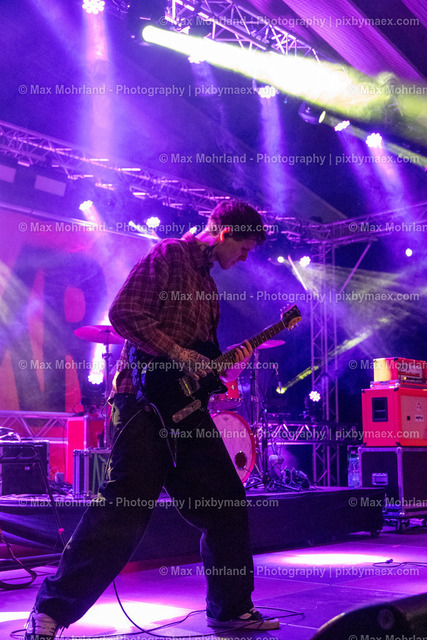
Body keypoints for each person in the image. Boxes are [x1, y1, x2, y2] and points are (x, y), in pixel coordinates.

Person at [25, 200, 279, 640]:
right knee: (122, 511)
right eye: (243, 248)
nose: (243, 258)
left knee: (226, 503)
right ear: (224, 233)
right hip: (143, 404)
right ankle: (49, 612)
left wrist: (224, 370)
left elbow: (201, 363)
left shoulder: (209, 288)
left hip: (187, 410)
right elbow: (123, 314)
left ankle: (231, 609)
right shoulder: (169, 255)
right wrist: (181, 355)